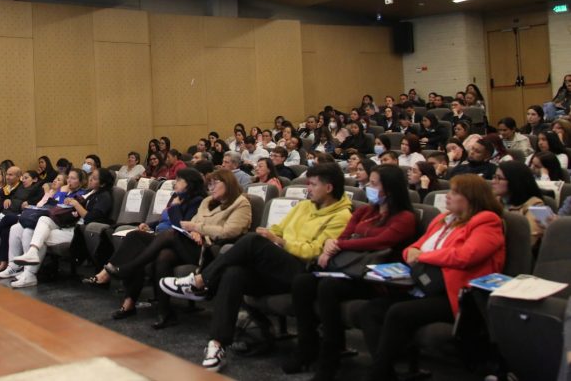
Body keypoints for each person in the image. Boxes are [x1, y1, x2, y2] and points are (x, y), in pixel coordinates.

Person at [158, 163, 352, 372]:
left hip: (303, 271)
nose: (308, 189)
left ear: (329, 188)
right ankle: (217, 344)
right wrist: (269, 235)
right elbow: (278, 227)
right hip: (278, 265)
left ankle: (200, 280)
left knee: (251, 241)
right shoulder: (304, 206)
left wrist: (279, 242)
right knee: (234, 273)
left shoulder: (342, 216)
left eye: (313, 185)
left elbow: (314, 251)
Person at [359, 174, 505, 381]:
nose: (448, 196)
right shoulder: (442, 219)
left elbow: (466, 255)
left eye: (454, 192)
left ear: (471, 197)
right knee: (370, 310)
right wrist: (412, 253)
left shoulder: (487, 221)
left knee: (398, 313)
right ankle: (386, 373)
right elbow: (415, 247)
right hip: (424, 285)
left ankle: (377, 375)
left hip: (454, 292)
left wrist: (424, 256)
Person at [288, 165, 417, 380]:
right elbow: (345, 236)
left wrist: (338, 245)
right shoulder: (365, 211)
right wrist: (334, 243)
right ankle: (306, 347)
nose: (368, 187)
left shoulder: (404, 217)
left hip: (375, 278)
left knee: (328, 287)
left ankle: (331, 356)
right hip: (350, 269)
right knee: (303, 282)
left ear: (391, 189)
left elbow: (381, 242)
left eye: (374, 184)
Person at [83, 168, 208, 327]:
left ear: (189, 184)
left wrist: (175, 207)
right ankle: (138, 304)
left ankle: (118, 273)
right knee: (138, 239)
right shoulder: (175, 197)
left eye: (179, 181)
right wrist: (148, 225)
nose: (175, 183)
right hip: (160, 238)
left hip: (182, 243)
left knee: (151, 250)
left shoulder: (197, 201)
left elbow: (180, 226)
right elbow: (165, 220)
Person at [11, 168, 114, 288]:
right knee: (43, 220)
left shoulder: (104, 197)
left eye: (95, 178)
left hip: (78, 232)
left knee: (39, 236)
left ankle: (29, 274)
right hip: (68, 225)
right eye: (91, 176)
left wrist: (76, 204)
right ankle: (31, 259)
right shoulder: (91, 193)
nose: (90, 179)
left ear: (102, 183)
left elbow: (90, 218)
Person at [0, 169, 44, 272]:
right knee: (5, 230)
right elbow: (11, 196)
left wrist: (28, 202)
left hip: (22, 215)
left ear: (34, 179)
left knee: (7, 220)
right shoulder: (21, 188)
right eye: (23, 178)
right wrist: (8, 199)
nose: (23, 180)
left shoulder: (37, 189)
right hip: (9, 212)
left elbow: (35, 202)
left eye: (26, 178)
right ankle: (4, 263)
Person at [492, 161, 545, 247]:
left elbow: (529, 241)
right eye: (494, 177)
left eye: (499, 178)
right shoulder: (495, 201)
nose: (493, 181)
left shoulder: (537, 206)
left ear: (514, 181)